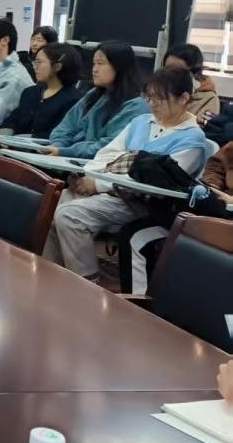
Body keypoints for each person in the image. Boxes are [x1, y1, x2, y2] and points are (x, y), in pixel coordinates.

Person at [43, 68, 207, 283]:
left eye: (159, 98)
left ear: (184, 98)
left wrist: (99, 185)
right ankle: (50, 275)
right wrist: (91, 178)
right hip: (112, 190)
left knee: (70, 216)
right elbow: (107, 154)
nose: (152, 104)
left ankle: (86, 284)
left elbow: (155, 182)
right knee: (52, 204)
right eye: (149, 97)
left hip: (143, 204)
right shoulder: (141, 122)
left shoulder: (192, 140)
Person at [47, 41, 147, 158]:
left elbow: (110, 146)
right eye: (94, 63)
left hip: (97, 164)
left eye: (100, 63)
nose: (94, 69)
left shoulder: (136, 106)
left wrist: (66, 151)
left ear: (119, 66)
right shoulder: (94, 94)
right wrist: (58, 145)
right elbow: (66, 126)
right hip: (67, 159)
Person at [0, 42, 84, 138]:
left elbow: (59, 134)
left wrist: (22, 138)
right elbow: (12, 120)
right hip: (13, 144)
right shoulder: (30, 92)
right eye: (35, 62)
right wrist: (4, 134)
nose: (35, 67)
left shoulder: (74, 100)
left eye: (39, 62)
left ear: (57, 66)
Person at [163, 43, 220, 118]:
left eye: (177, 71)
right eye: (167, 70)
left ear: (194, 73)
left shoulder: (210, 99)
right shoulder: (158, 92)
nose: (171, 75)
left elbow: (205, 124)